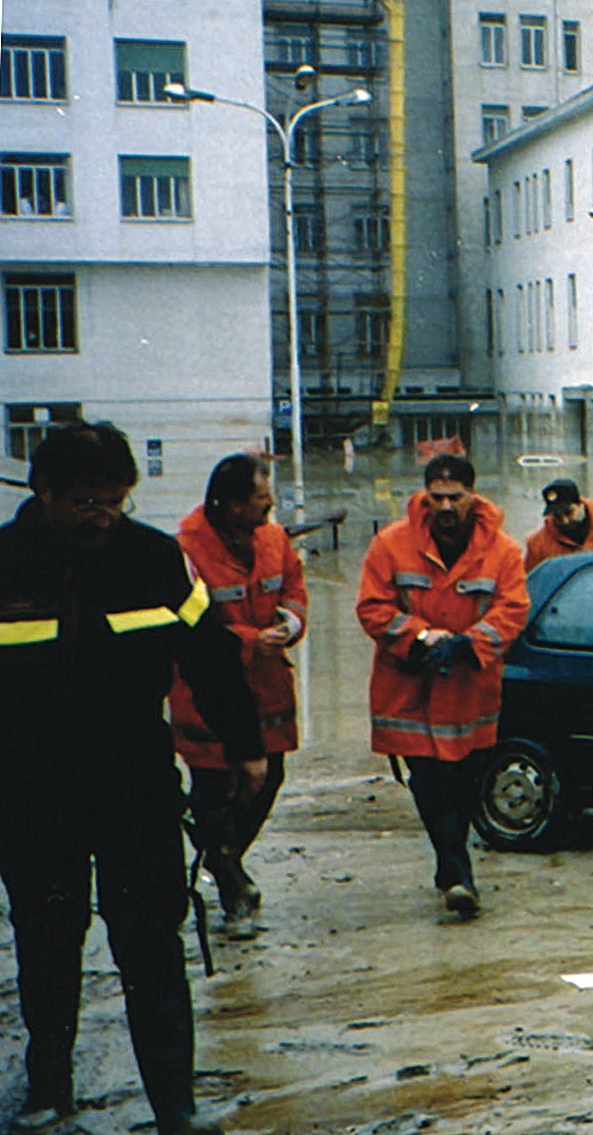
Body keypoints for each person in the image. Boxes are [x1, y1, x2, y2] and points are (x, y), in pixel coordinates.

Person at [0, 423, 264, 1135]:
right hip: (31, 795)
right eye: (86, 501)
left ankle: (173, 1104)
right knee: (47, 942)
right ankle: (49, 1088)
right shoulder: (4, 564)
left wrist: (247, 746)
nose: (102, 517)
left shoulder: (154, 560)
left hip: (135, 789)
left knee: (152, 945)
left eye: (114, 501)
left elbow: (211, 655)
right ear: (44, 491)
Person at [354, 454, 528, 920]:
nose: (447, 506)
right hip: (408, 688)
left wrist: (468, 645)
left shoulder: (504, 551)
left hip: (469, 688)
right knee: (429, 783)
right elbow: (372, 607)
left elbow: (513, 609)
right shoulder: (391, 544)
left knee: (465, 780)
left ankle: (449, 862)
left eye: (456, 497)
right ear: (425, 496)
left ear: (474, 496)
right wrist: (418, 638)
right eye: (438, 497)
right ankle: (456, 872)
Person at [167, 455, 306, 941]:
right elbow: (194, 628)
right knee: (212, 788)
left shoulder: (273, 538)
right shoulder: (186, 551)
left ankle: (224, 856)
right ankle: (230, 885)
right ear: (231, 505)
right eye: (261, 499)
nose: (269, 506)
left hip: (268, 685)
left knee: (271, 776)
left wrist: (290, 624)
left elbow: (293, 587)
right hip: (205, 690)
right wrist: (250, 639)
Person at [523, 477, 593, 572]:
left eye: (569, 513)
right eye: (557, 516)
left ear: (581, 505)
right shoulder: (537, 544)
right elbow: (530, 584)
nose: (564, 520)